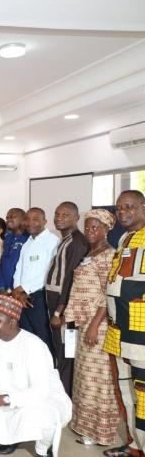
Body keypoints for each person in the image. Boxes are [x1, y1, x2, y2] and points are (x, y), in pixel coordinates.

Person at [0, 294, 72, 457]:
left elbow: (40, 392)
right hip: (2, 395)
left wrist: (1, 400)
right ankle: (9, 437)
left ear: (12, 323)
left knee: (45, 418)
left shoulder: (34, 346)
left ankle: (43, 449)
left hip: (38, 400)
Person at [61, 209, 118, 446]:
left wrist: (95, 325)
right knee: (84, 378)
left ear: (106, 230)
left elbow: (109, 294)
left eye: (96, 227)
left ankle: (100, 432)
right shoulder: (89, 252)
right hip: (83, 323)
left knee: (99, 381)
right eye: (88, 227)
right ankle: (83, 425)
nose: (90, 231)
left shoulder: (109, 255)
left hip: (99, 326)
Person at [103, 190, 145, 457]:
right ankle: (134, 446)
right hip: (118, 329)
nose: (123, 212)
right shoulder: (124, 238)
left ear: (143, 207)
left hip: (141, 332)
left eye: (129, 207)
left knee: (143, 394)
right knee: (125, 392)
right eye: (119, 208)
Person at [46, 201, 89, 397]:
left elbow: (71, 279)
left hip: (64, 309)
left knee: (66, 352)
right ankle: (64, 394)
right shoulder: (64, 240)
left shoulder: (77, 242)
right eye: (57, 214)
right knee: (61, 349)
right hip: (56, 303)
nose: (59, 218)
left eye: (65, 215)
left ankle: (66, 398)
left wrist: (59, 311)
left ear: (76, 218)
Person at [13, 207, 60, 351]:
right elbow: (19, 268)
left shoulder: (52, 241)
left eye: (35, 219)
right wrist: (17, 290)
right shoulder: (27, 242)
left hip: (40, 297)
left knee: (42, 339)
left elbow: (49, 272)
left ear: (44, 221)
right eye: (27, 219)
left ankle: (47, 371)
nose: (30, 222)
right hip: (21, 298)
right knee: (26, 337)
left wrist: (25, 289)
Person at [0, 208, 28, 292]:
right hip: (6, 290)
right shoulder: (7, 238)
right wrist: (1, 287)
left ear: (23, 219)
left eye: (12, 217)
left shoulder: (29, 238)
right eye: (7, 218)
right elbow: (3, 263)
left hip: (21, 290)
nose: (8, 220)